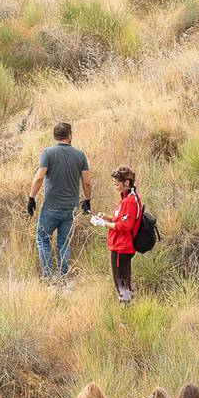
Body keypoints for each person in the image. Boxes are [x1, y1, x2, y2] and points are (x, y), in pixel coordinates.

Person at [28, 121, 91, 281]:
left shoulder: (47, 153)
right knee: (63, 243)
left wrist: (31, 198)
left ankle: (48, 276)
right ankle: (63, 277)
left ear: (55, 136)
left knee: (43, 240)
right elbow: (87, 182)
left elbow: (39, 177)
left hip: (50, 207)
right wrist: (87, 200)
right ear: (69, 136)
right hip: (70, 208)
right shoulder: (80, 155)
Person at [93, 167, 142, 304]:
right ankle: (127, 306)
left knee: (121, 282)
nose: (115, 186)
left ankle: (125, 309)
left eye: (117, 183)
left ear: (126, 182)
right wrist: (108, 218)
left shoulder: (130, 201)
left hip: (122, 247)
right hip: (120, 245)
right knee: (122, 279)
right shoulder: (127, 198)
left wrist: (102, 224)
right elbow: (121, 219)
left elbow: (124, 226)